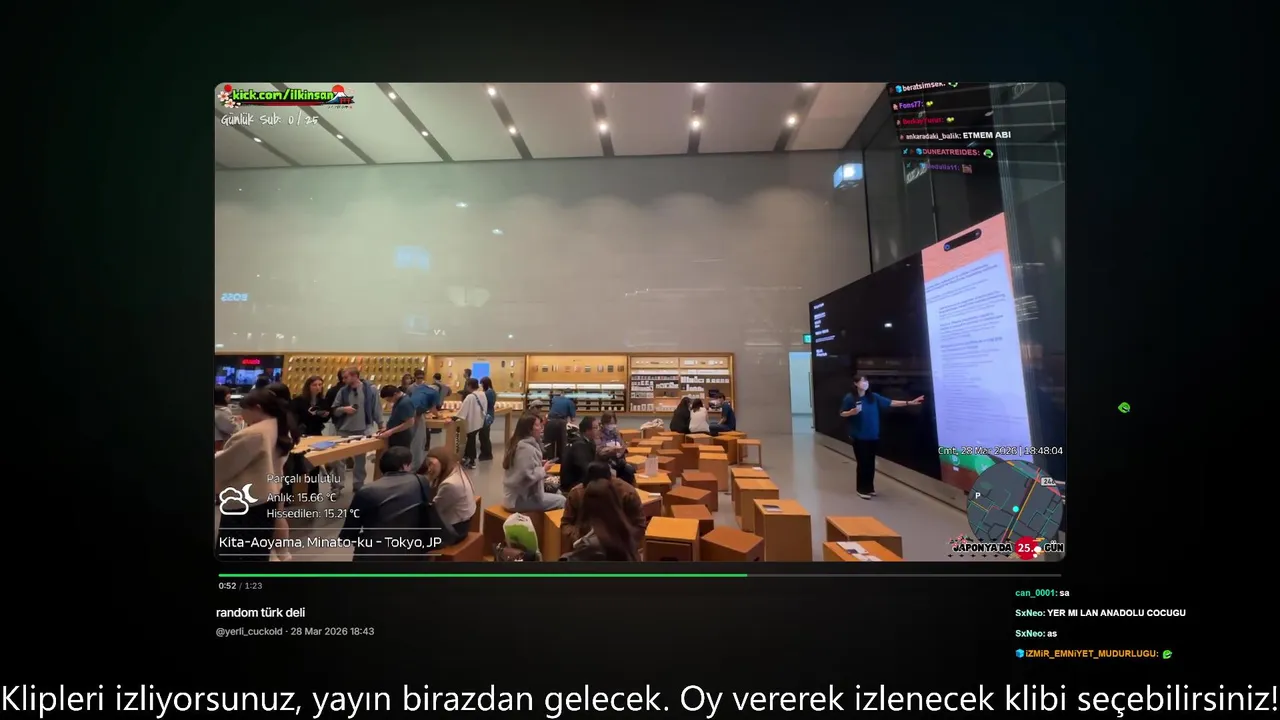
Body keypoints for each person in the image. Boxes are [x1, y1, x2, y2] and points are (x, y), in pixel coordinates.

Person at [215, 388, 295, 561]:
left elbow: (225, 466)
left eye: (244, 410)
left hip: (246, 501)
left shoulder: (253, 434)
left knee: (235, 554)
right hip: (268, 495)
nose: (242, 416)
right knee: (258, 549)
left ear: (257, 408)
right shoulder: (279, 425)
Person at [339, 447, 434, 561]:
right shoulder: (421, 481)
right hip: (413, 551)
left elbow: (348, 535)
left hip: (375, 555)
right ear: (405, 466)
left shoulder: (366, 491)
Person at [840, 375, 925, 499]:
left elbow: (891, 402)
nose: (865, 383)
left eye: (866, 381)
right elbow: (842, 413)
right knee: (863, 463)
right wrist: (851, 412)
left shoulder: (873, 397)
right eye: (862, 381)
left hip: (873, 435)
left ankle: (869, 488)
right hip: (859, 436)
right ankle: (861, 488)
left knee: (870, 463)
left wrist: (909, 402)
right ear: (856, 384)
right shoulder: (850, 398)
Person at [560, 461, 643, 560]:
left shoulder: (627, 493)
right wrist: (579, 538)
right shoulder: (577, 493)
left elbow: (639, 525)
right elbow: (566, 523)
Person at [330, 367, 384, 491]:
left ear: (355, 376)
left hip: (363, 429)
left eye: (346, 377)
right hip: (344, 429)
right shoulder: (343, 391)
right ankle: (337, 485)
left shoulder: (370, 390)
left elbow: (376, 408)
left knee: (360, 460)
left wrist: (381, 425)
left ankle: (358, 484)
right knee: (338, 459)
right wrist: (344, 409)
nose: (343, 380)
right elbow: (334, 409)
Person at [502, 414, 566, 511]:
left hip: (515, 496)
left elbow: (522, 468)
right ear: (529, 429)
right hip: (518, 499)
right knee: (562, 500)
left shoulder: (518, 443)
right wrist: (543, 469)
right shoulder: (525, 449)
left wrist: (538, 463)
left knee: (558, 493)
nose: (541, 428)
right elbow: (526, 477)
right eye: (538, 425)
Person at [421, 446, 477, 542]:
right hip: (463, 522)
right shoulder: (456, 469)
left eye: (431, 464)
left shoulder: (450, 484)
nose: (429, 469)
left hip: (454, 530)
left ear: (442, 461)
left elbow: (434, 510)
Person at [560, 416, 605, 494]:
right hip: (573, 484)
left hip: (582, 478)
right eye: (595, 428)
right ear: (587, 430)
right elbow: (585, 468)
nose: (598, 430)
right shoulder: (579, 444)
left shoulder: (588, 441)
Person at [409, 370, 441, 467]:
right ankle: (415, 464)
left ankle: (417, 461)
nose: (420, 380)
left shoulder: (427, 389)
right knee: (416, 440)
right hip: (413, 415)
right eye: (418, 378)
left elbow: (430, 407)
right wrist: (439, 416)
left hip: (419, 414)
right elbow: (433, 409)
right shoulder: (411, 388)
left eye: (421, 378)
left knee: (420, 439)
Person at [455, 378, 487, 469]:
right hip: (479, 420)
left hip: (472, 421)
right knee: (471, 439)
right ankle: (466, 456)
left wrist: (455, 417)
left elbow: (463, 410)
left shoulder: (470, 397)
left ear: (469, 386)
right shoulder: (482, 394)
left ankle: (472, 461)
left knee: (471, 440)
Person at [597, 412, 636, 484]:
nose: (611, 425)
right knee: (612, 473)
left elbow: (622, 444)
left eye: (613, 423)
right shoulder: (599, 434)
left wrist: (622, 449)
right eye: (609, 423)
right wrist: (611, 450)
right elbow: (600, 450)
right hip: (606, 461)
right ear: (603, 423)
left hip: (618, 460)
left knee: (630, 470)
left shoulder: (616, 433)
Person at [377, 384, 417, 450]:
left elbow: (410, 423)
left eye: (389, 400)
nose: (389, 402)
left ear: (395, 394)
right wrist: (388, 428)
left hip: (401, 437)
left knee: (399, 455)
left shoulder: (405, 403)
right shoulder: (399, 401)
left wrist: (391, 431)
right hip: (396, 435)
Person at [478, 376, 498, 461]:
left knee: (484, 435)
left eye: (482, 384)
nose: (481, 386)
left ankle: (487, 454)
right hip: (488, 415)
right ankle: (485, 453)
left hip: (487, 416)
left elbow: (485, 403)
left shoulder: (488, 393)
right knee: (483, 435)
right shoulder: (490, 391)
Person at [214, 386, 237, 450]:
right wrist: (237, 423)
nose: (230, 396)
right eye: (228, 394)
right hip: (219, 444)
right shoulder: (222, 411)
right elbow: (230, 428)